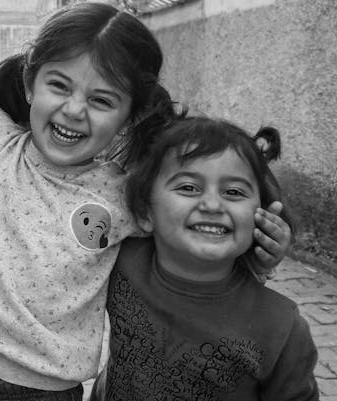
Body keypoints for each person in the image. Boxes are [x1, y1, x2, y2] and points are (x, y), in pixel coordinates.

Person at [0, 2, 290, 401]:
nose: (74, 110)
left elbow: (191, 257)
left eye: (102, 101)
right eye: (58, 85)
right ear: (30, 83)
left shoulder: (128, 197)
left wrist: (255, 259)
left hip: (45, 392)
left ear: (130, 115)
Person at [91, 115, 318, 401]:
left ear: (261, 216)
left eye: (233, 192)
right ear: (146, 213)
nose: (212, 204)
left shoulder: (282, 328)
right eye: (188, 187)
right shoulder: (120, 262)